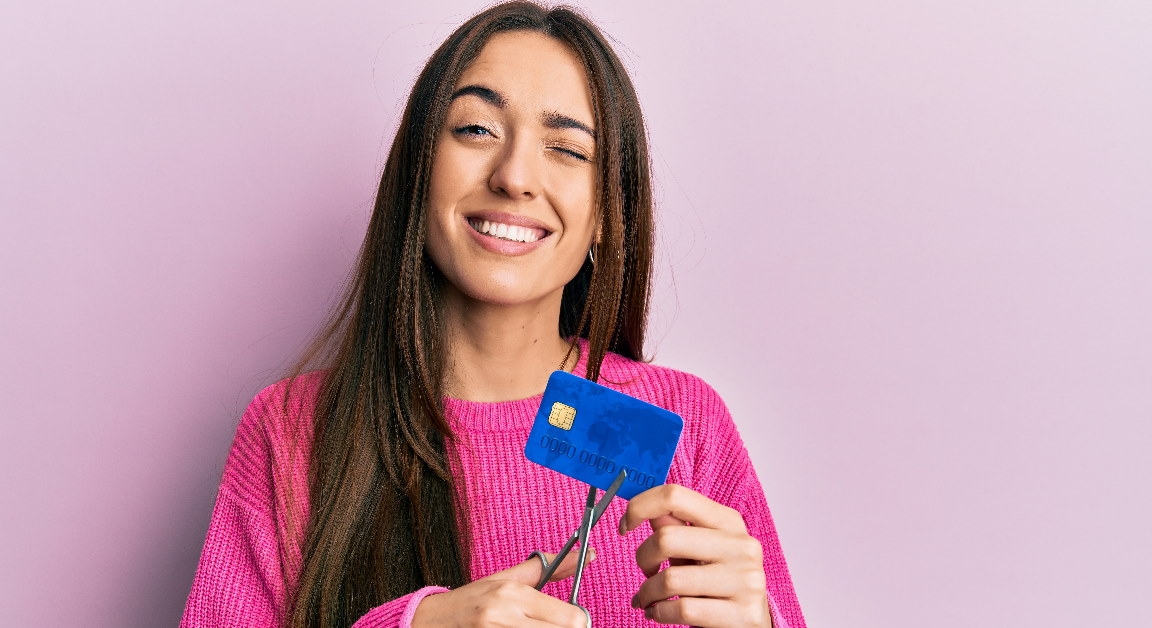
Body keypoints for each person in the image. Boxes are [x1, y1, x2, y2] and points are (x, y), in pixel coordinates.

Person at [180, 2, 806, 627]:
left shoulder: (685, 424)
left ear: (609, 215)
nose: (514, 176)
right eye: (477, 129)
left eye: (567, 148)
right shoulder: (291, 432)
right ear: (418, 171)